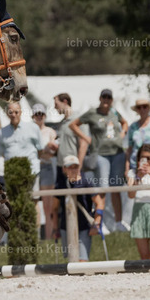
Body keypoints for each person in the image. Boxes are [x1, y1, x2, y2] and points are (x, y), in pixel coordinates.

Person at [69, 88, 130, 231]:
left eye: (109, 97)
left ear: (112, 100)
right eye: (104, 97)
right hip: (101, 154)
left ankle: (118, 222)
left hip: (117, 153)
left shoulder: (114, 112)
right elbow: (73, 125)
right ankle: (99, 223)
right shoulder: (92, 113)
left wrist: (122, 133)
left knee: (116, 188)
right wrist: (86, 138)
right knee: (102, 188)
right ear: (100, 98)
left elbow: (125, 123)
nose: (106, 100)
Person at [52, 155, 105, 262]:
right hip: (65, 228)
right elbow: (55, 208)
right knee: (72, 261)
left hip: (84, 227)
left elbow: (99, 203)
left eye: (75, 167)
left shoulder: (86, 183)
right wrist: (55, 228)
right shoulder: (60, 185)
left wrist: (96, 223)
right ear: (64, 169)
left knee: (82, 261)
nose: (73, 170)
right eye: (70, 167)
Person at [53, 93, 89, 238]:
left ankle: (83, 233)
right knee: (63, 202)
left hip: (73, 168)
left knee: (79, 202)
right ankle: (64, 233)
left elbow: (84, 143)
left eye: (56, 104)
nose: (54, 107)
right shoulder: (62, 123)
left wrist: (78, 167)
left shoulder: (79, 120)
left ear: (65, 101)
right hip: (60, 168)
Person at [0, 102, 44, 180]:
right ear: (7, 113)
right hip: (11, 174)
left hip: (31, 172)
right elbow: (1, 152)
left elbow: (40, 150)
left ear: (21, 112)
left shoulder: (33, 128)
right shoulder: (1, 132)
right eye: (10, 112)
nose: (13, 115)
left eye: (16, 112)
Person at [31, 103, 58, 240]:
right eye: (37, 114)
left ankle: (49, 237)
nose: (39, 116)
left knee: (48, 207)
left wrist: (42, 151)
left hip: (46, 167)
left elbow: (52, 152)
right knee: (34, 203)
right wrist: (45, 149)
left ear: (45, 115)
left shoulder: (50, 132)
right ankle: (36, 237)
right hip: (33, 169)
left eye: (41, 114)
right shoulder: (30, 131)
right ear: (33, 116)